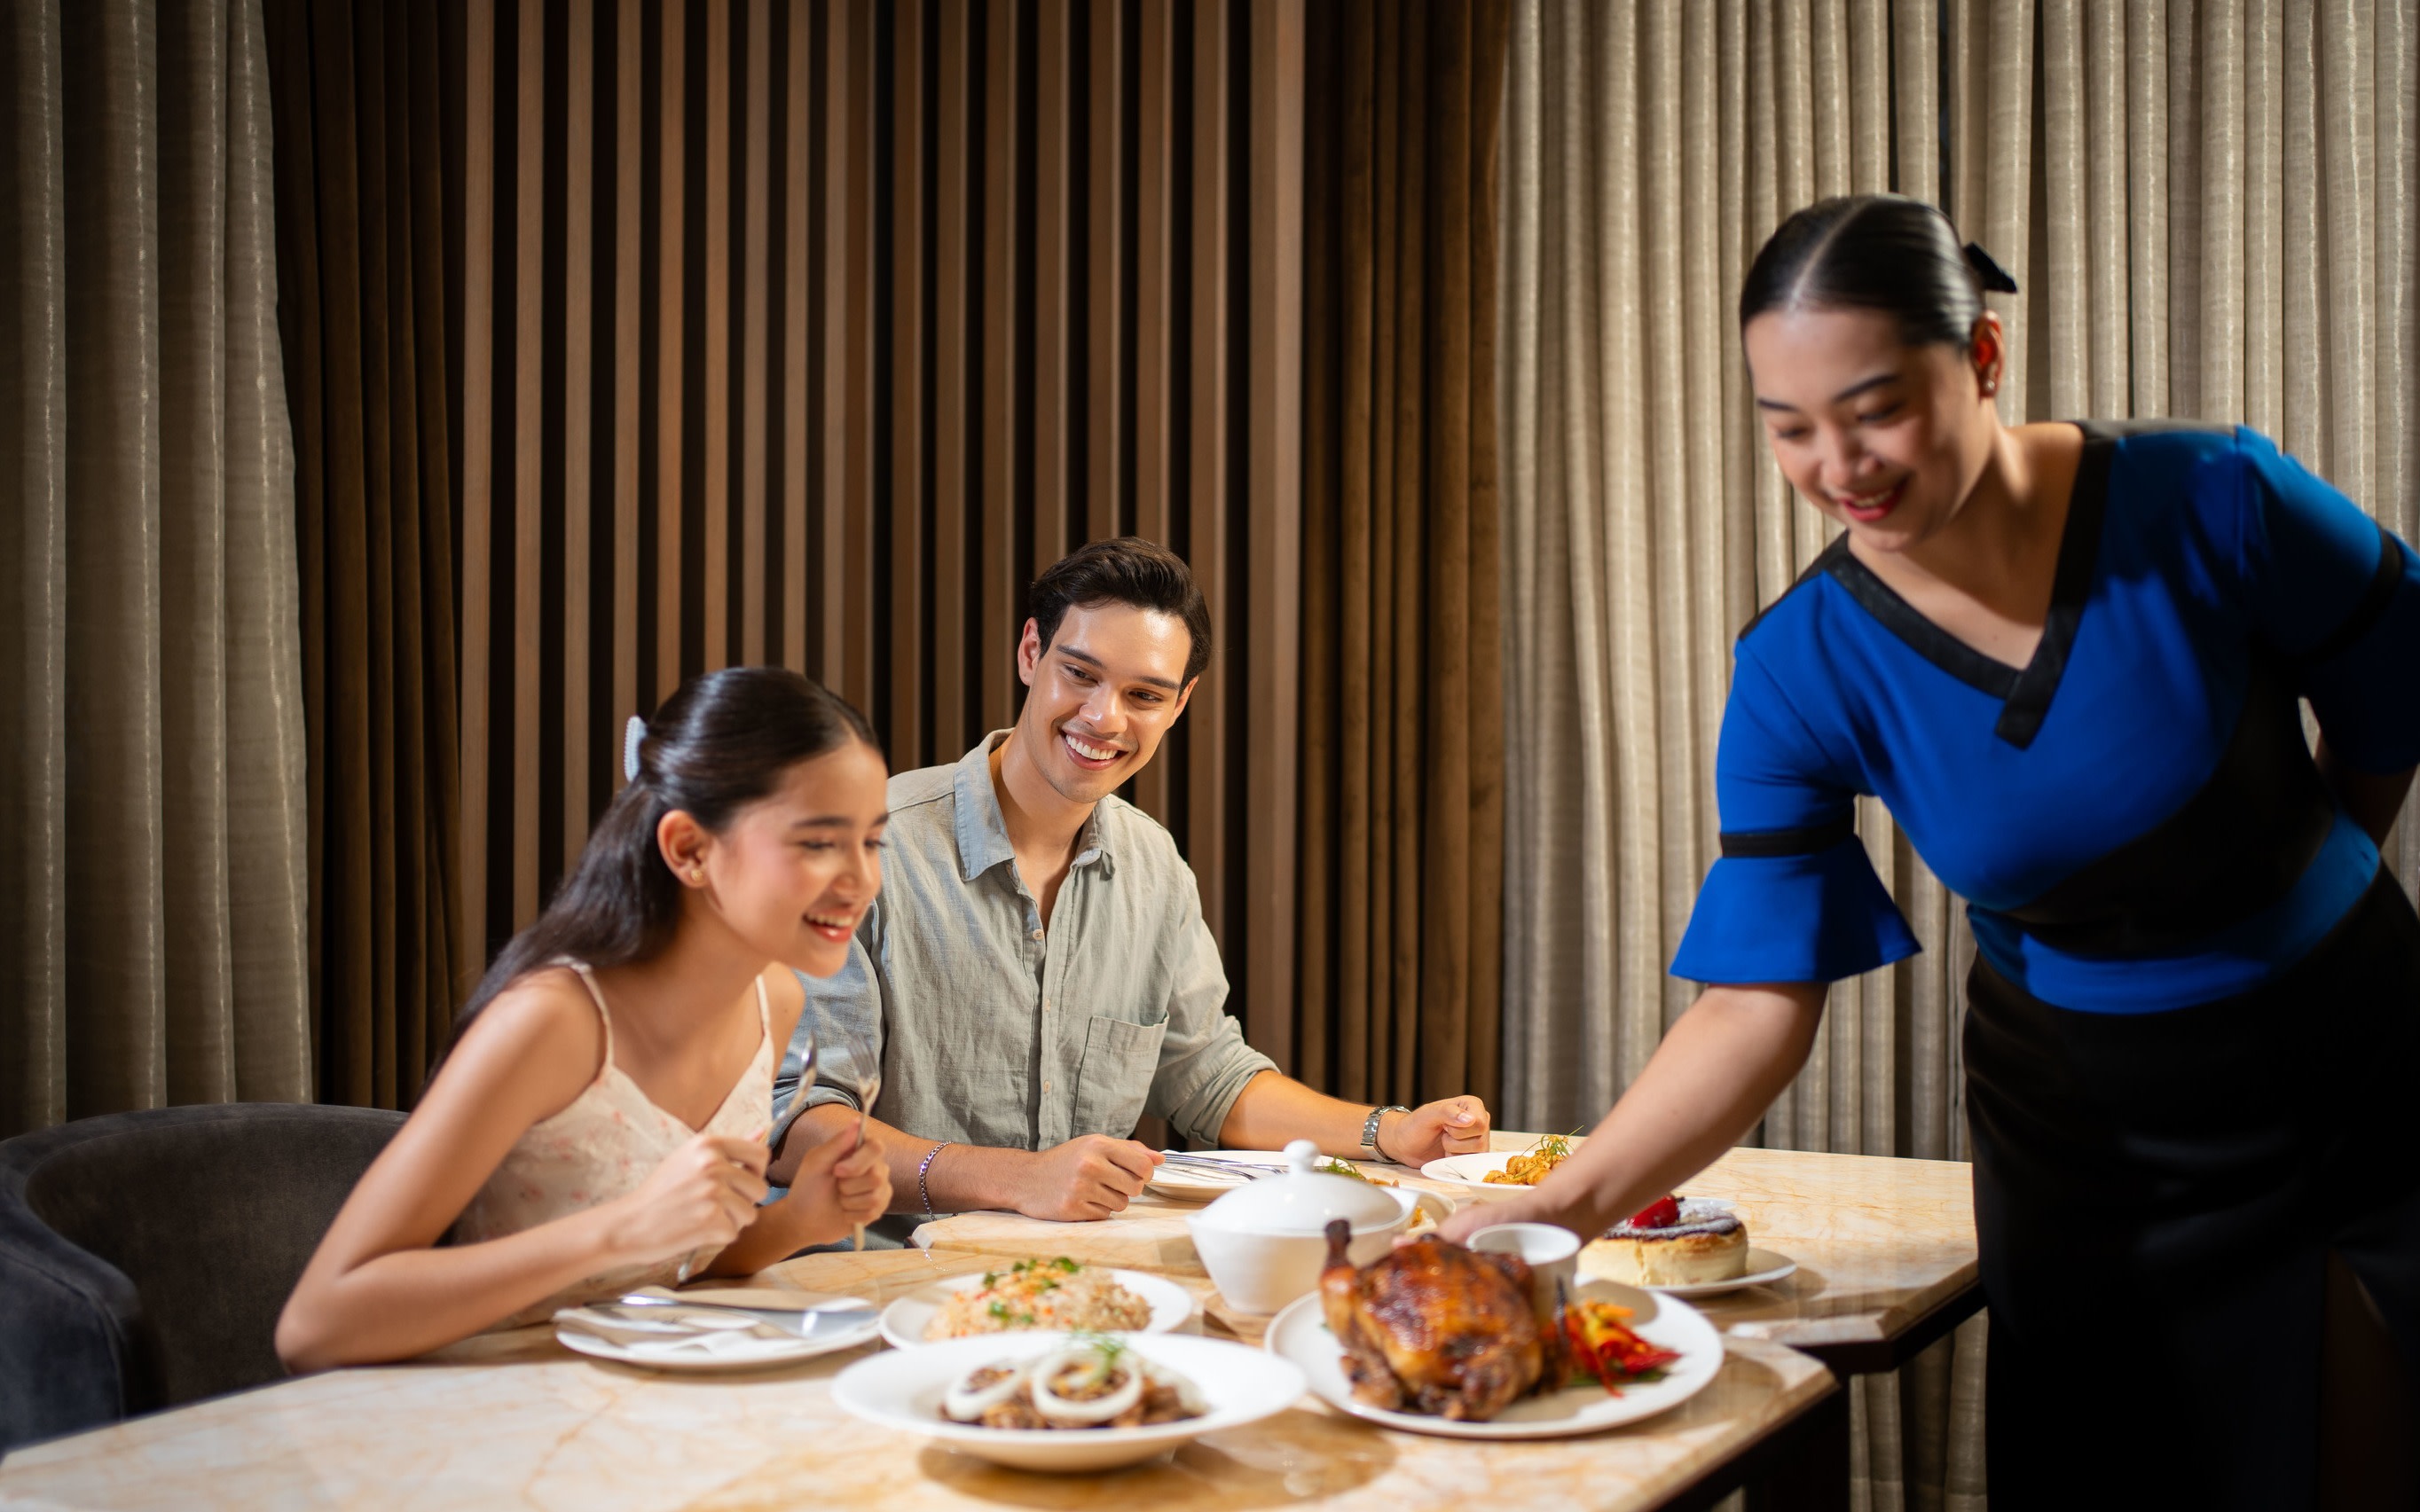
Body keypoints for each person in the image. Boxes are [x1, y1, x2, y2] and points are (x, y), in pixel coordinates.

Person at [1439, 195, 2419, 1505]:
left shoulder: (2213, 495)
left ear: (1987, 360)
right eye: (1790, 427)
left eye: (1876, 406)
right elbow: (1752, 1000)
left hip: (2360, 1066)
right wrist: (1566, 1202)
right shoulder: (1798, 666)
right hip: (2089, 1137)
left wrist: (2298, 902)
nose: (1840, 463)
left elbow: (2390, 689)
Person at [767, 537, 1489, 1233]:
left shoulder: (1156, 868)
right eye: (1080, 674)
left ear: (1180, 704)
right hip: (878, 1285)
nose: (1103, 718)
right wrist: (1020, 1179)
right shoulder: (871, 847)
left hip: (1081, 1289)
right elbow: (798, 1125)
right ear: (1030, 653)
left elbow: (1210, 1077)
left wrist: (1388, 1130)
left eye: (1143, 693)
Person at [278, 669, 894, 1369]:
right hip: (485, 1415)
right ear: (689, 848)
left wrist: (798, 1220)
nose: (861, 879)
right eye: (819, 843)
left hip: (644, 1408)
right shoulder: (549, 1022)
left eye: (872, 842)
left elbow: (675, 1262)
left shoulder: (773, 999)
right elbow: (316, 1323)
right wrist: (622, 1227)